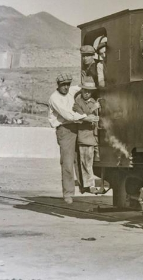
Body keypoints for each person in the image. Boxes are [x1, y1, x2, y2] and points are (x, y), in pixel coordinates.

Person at [48, 73, 99, 204]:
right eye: (63, 85)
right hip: (65, 130)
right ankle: (68, 193)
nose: (66, 87)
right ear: (58, 85)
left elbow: (82, 87)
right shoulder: (54, 99)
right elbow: (68, 115)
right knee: (67, 162)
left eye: (67, 85)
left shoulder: (71, 90)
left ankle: (86, 186)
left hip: (78, 127)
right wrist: (86, 117)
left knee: (83, 158)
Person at [73, 81, 101, 194]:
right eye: (85, 91)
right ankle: (89, 186)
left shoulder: (93, 101)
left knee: (94, 161)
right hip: (85, 137)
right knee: (86, 162)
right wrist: (93, 110)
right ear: (82, 91)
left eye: (89, 92)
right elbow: (82, 116)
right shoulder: (77, 104)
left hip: (94, 137)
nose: (87, 94)